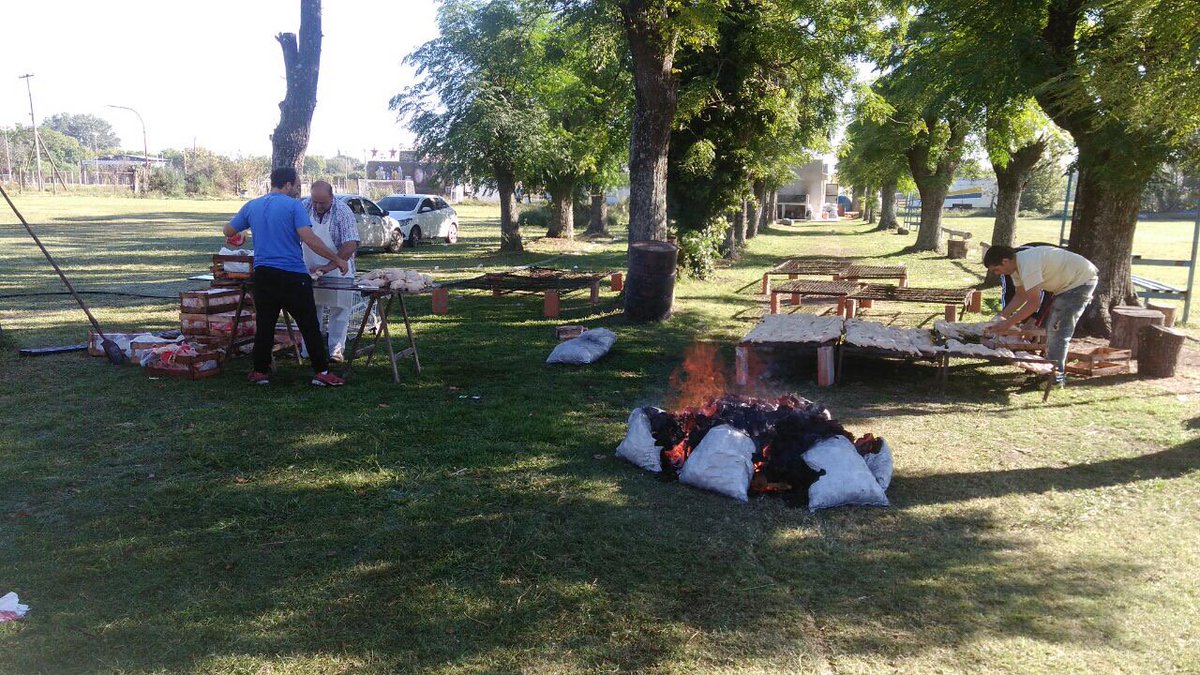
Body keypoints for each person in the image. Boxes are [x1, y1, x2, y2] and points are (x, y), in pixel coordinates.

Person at [223, 167, 348, 387]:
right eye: (297, 184)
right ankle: (322, 372)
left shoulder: (252, 205)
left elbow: (228, 231)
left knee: (265, 324)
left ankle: (260, 372)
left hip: (263, 276)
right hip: (292, 275)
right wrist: (337, 260)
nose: (297, 189)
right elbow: (309, 239)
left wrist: (240, 233)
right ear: (288, 184)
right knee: (309, 324)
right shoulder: (294, 206)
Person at [983, 244, 1099, 386]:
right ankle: (1049, 372)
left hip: (1080, 282)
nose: (997, 273)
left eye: (996, 269)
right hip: (1067, 285)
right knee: (1053, 328)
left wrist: (1007, 324)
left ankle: (1055, 377)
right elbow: (1020, 295)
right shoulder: (1015, 268)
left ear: (1005, 261)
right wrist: (1001, 316)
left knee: (1057, 331)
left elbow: (1033, 303)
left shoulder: (1027, 264)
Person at [301, 181, 360, 362]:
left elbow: (350, 244)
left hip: (337, 270)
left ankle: (336, 350)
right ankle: (309, 349)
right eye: (315, 202)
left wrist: (328, 266)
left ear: (332, 197)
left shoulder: (343, 212)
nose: (318, 206)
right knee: (310, 310)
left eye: (322, 203)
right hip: (309, 267)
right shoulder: (304, 207)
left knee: (339, 310)